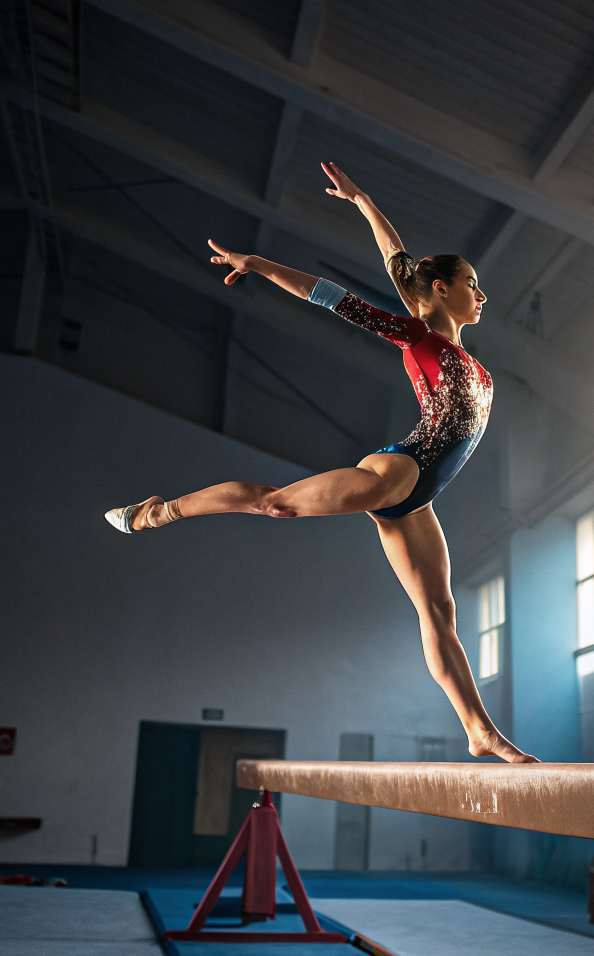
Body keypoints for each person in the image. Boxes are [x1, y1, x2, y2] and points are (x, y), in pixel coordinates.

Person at [105, 162, 537, 764]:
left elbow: (398, 258)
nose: (481, 294)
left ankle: (478, 729)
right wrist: (257, 266)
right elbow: (331, 297)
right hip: (399, 472)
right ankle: (158, 511)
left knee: (440, 611)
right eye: (472, 283)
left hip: (418, 497)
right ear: (442, 289)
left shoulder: (450, 344)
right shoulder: (421, 340)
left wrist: (363, 200)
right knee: (276, 503)